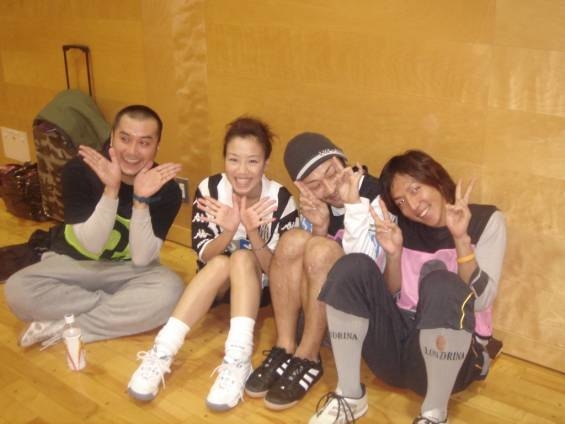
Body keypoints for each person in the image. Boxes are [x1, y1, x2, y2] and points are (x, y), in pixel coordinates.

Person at [310, 150, 507, 424]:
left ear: (436, 179)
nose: (413, 205)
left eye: (416, 189)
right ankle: (350, 395)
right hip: (399, 353)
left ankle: (434, 414)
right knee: (352, 266)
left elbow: (482, 301)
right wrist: (394, 254)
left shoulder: (485, 220)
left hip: (452, 359)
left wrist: (461, 239)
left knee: (440, 281)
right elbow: (392, 295)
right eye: (401, 201)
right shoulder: (401, 225)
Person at [127, 116, 299, 410]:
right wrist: (230, 230)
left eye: (252, 161)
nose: (242, 171)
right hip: (215, 285)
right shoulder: (210, 189)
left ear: (265, 163)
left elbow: (277, 272)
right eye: (234, 159)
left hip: (260, 288)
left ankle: (238, 359)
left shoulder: (280, 200)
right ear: (224, 159)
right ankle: (162, 351)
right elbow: (204, 254)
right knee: (220, 262)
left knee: (242, 257)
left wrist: (253, 232)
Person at [5, 105, 184, 348]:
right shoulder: (80, 170)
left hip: (129, 270)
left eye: (144, 142)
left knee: (171, 290)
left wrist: (141, 201)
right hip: (74, 263)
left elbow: (142, 259)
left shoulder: (167, 189)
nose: (132, 151)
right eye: (124, 139)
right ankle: (119, 307)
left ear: (157, 146)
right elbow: (91, 245)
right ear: (112, 137)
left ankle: (67, 328)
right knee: (18, 289)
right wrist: (111, 191)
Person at [244, 132, 383, 410]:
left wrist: (353, 207)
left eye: (332, 173)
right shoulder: (313, 202)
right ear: (302, 187)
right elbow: (302, 267)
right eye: (314, 185)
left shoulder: (373, 193)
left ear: (343, 160)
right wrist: (320, 227)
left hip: (363, 317)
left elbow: (366, 268)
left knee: (320, 249)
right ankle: (286, 347)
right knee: (293, 239)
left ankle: (308, 356)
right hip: (319, 314)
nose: (329, 188)